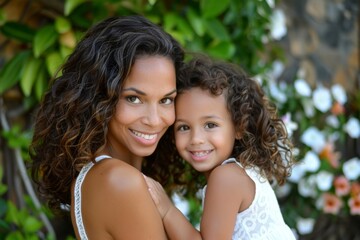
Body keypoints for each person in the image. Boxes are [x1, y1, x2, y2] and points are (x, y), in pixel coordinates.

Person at [29, 15, 185, 239]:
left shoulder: (103, 174)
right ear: (98, 98)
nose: (154, 119)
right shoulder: (120, 181)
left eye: (166, 100)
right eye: (133, 99)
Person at [145, 56, 296, 240]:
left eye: (210, 125)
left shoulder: (227, 177)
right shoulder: (239, 172)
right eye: (184, 127)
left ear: (239, 127)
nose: (196, 139)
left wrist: (166, 209)